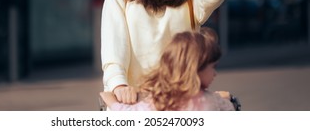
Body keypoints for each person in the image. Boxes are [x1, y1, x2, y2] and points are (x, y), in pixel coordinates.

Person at [100, 28, 235, 111]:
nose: (215, 74)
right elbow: (230, 111)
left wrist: (111, 101)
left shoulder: (160, 102)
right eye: (213, 67)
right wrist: (225, 98)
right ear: (196, 68)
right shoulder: (212, 102)